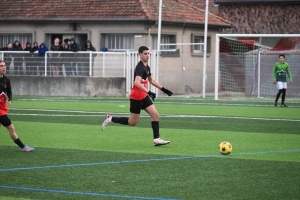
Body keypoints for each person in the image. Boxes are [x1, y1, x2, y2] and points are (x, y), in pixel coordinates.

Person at [101, 46, 173, 146]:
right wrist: (149, 92)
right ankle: (110, 118)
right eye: (145, 53)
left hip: (143, 96)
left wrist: (163, 89)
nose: (147, 55)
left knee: (155, 115)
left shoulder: (147, 67)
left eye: (148, 53)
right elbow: (137, 82)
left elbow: (151, 80)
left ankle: (156, 140)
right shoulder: (140, 67)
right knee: (133, 122)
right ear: (140, 55)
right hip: (136, 98)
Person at [0, 60, 34, 152]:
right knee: (11, 128)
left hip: (2, 109)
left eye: (4, 65)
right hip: (0, 112)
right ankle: (23, 147)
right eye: (1, 66)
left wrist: (10, 99)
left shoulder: (6, 80)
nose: (4, 67)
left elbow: (9, 91)